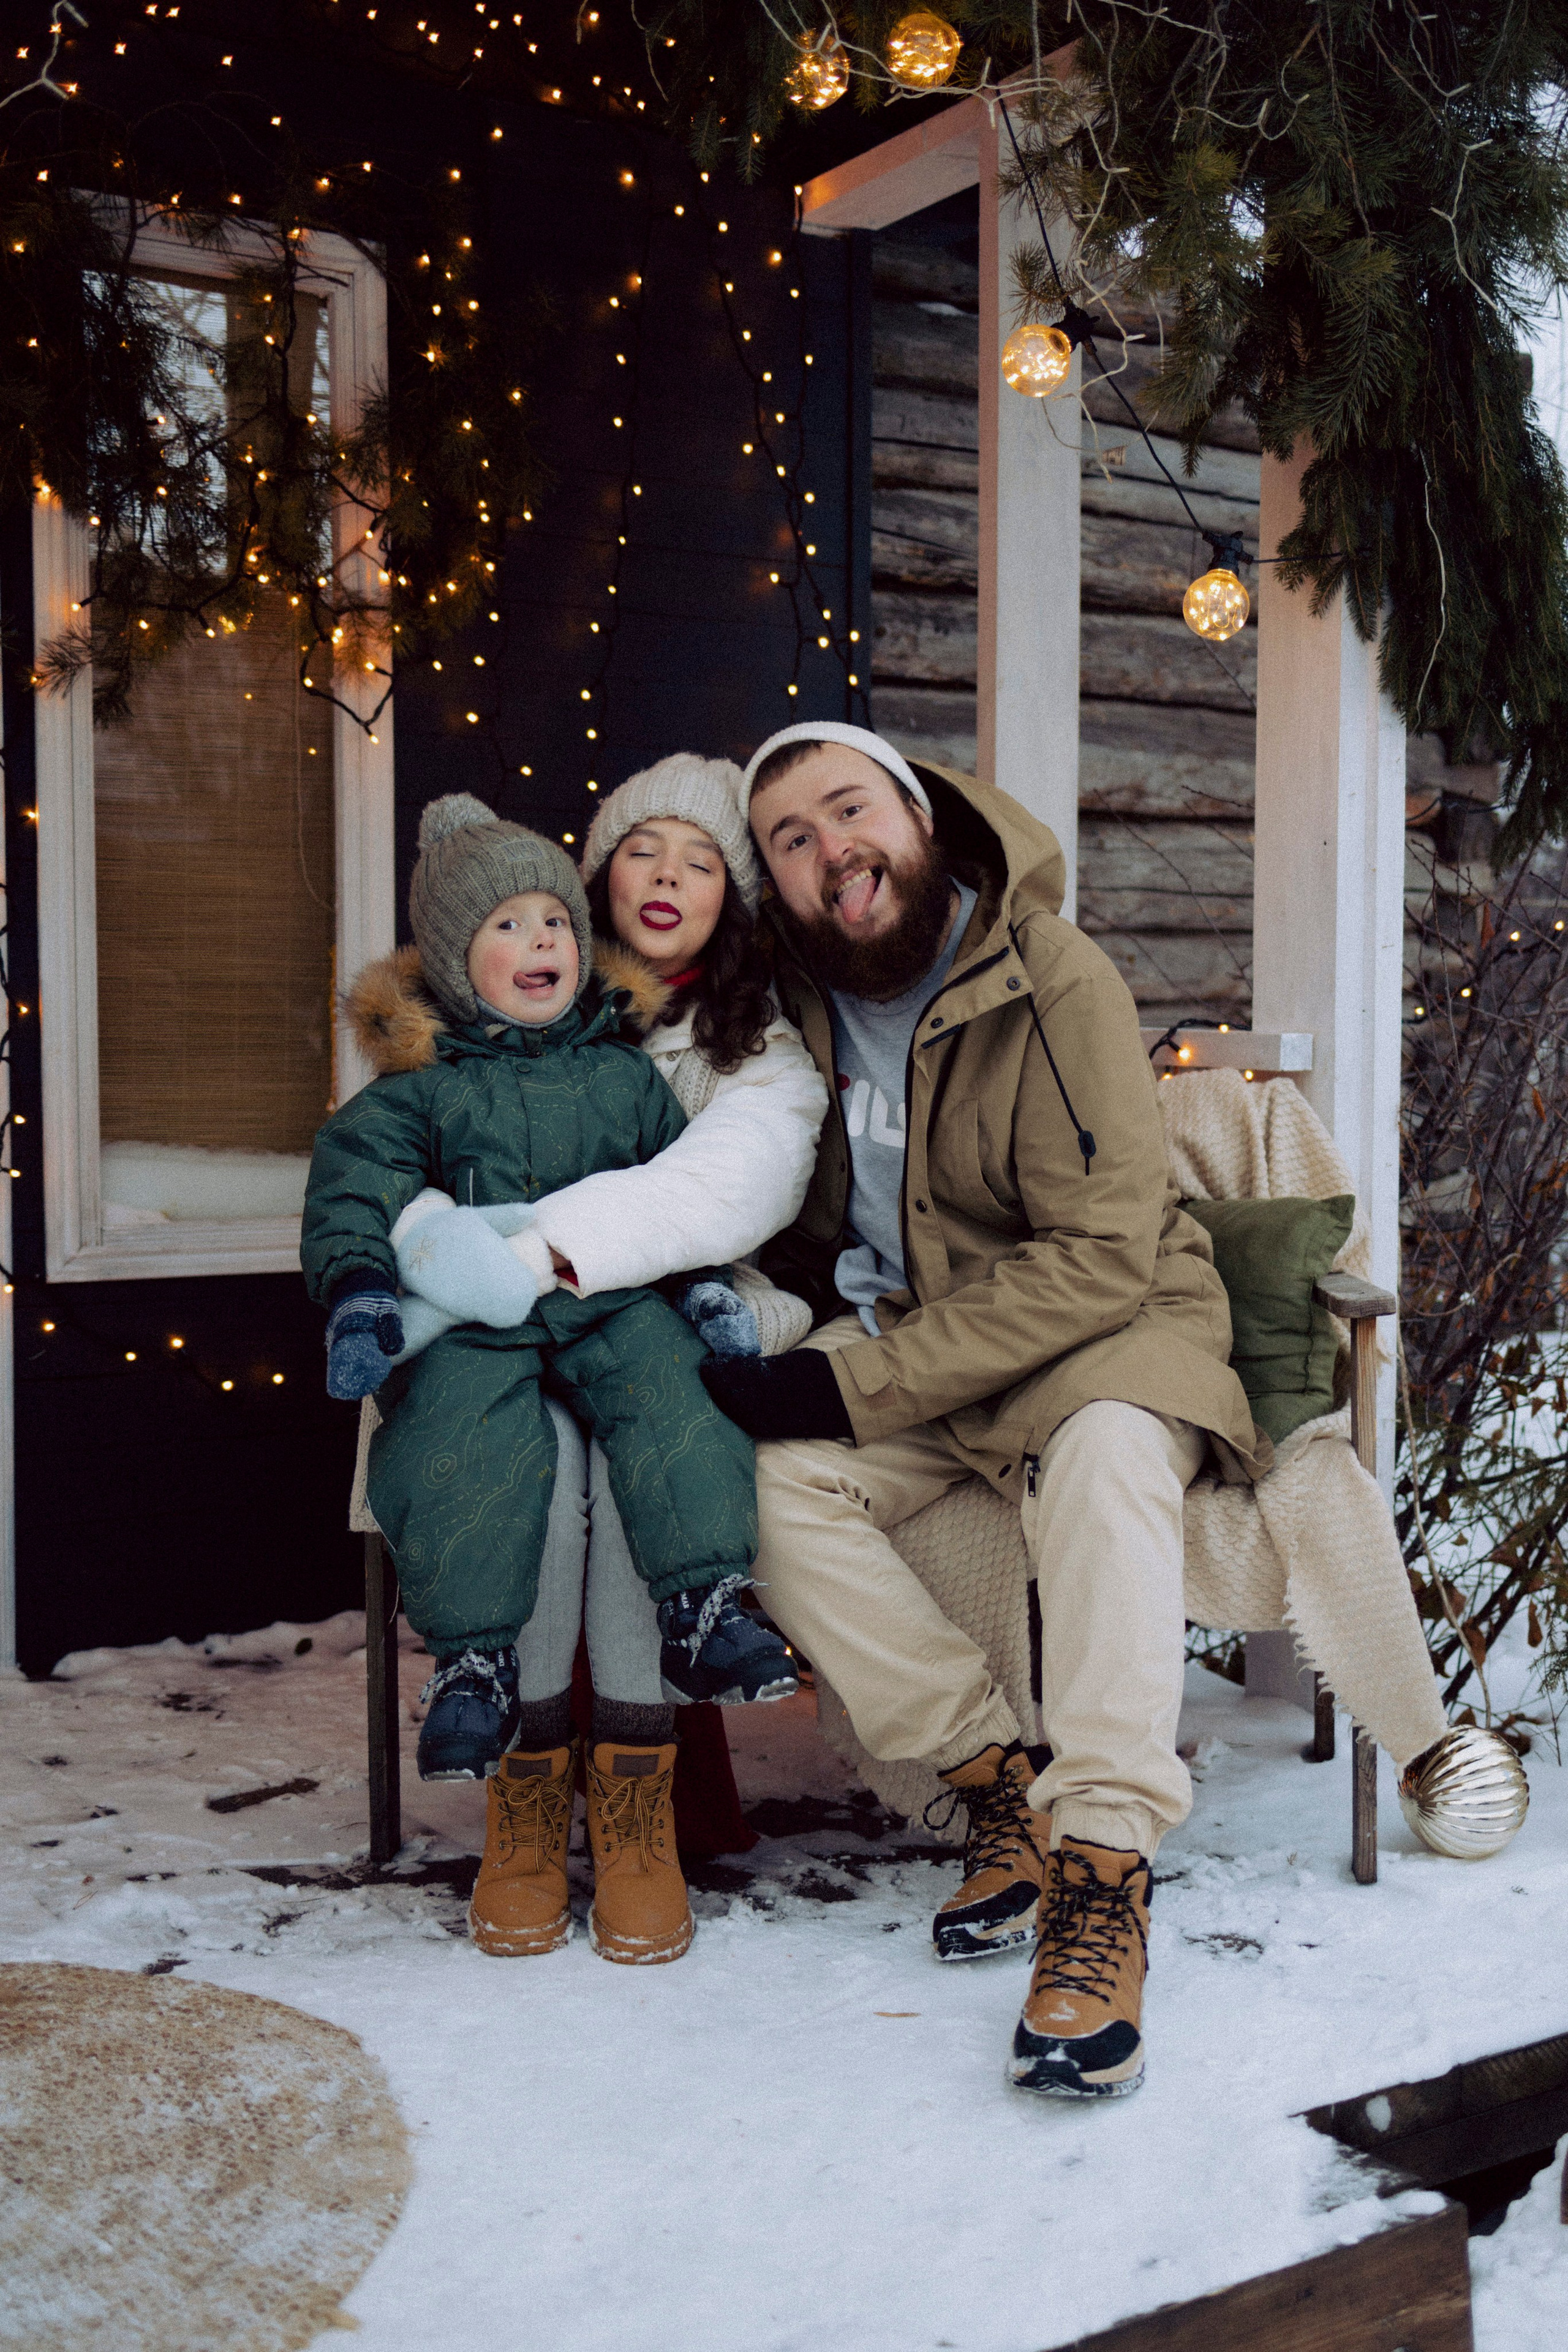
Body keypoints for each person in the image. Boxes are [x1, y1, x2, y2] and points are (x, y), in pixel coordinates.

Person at [699, 721, 1267, 2100]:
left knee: (1109, 1459)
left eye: (850, 812)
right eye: (791, 839)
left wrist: (849, 1380)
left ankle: (1101, 1871)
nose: (833, 851)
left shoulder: (1050, 975)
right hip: (929, 1345)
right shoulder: (797, 1003)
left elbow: (1102, 1253)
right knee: (764, 1485)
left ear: (918, 816)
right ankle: (991, 1782)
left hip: (1102, 1332)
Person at [302, 791, 799, 1967]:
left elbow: (670, 1201)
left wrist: (705, 1292)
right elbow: (354, 1191)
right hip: (481, 1324)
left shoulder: (625, 1076)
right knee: (467, 1444)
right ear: (452, 962)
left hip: (608, 1307)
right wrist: (362, 1293)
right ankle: (493, 1719)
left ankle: (697, 1629)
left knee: (675, 1402)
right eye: (509, 927)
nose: (543, 944)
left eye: (557, 924)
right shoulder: (415, 1091)